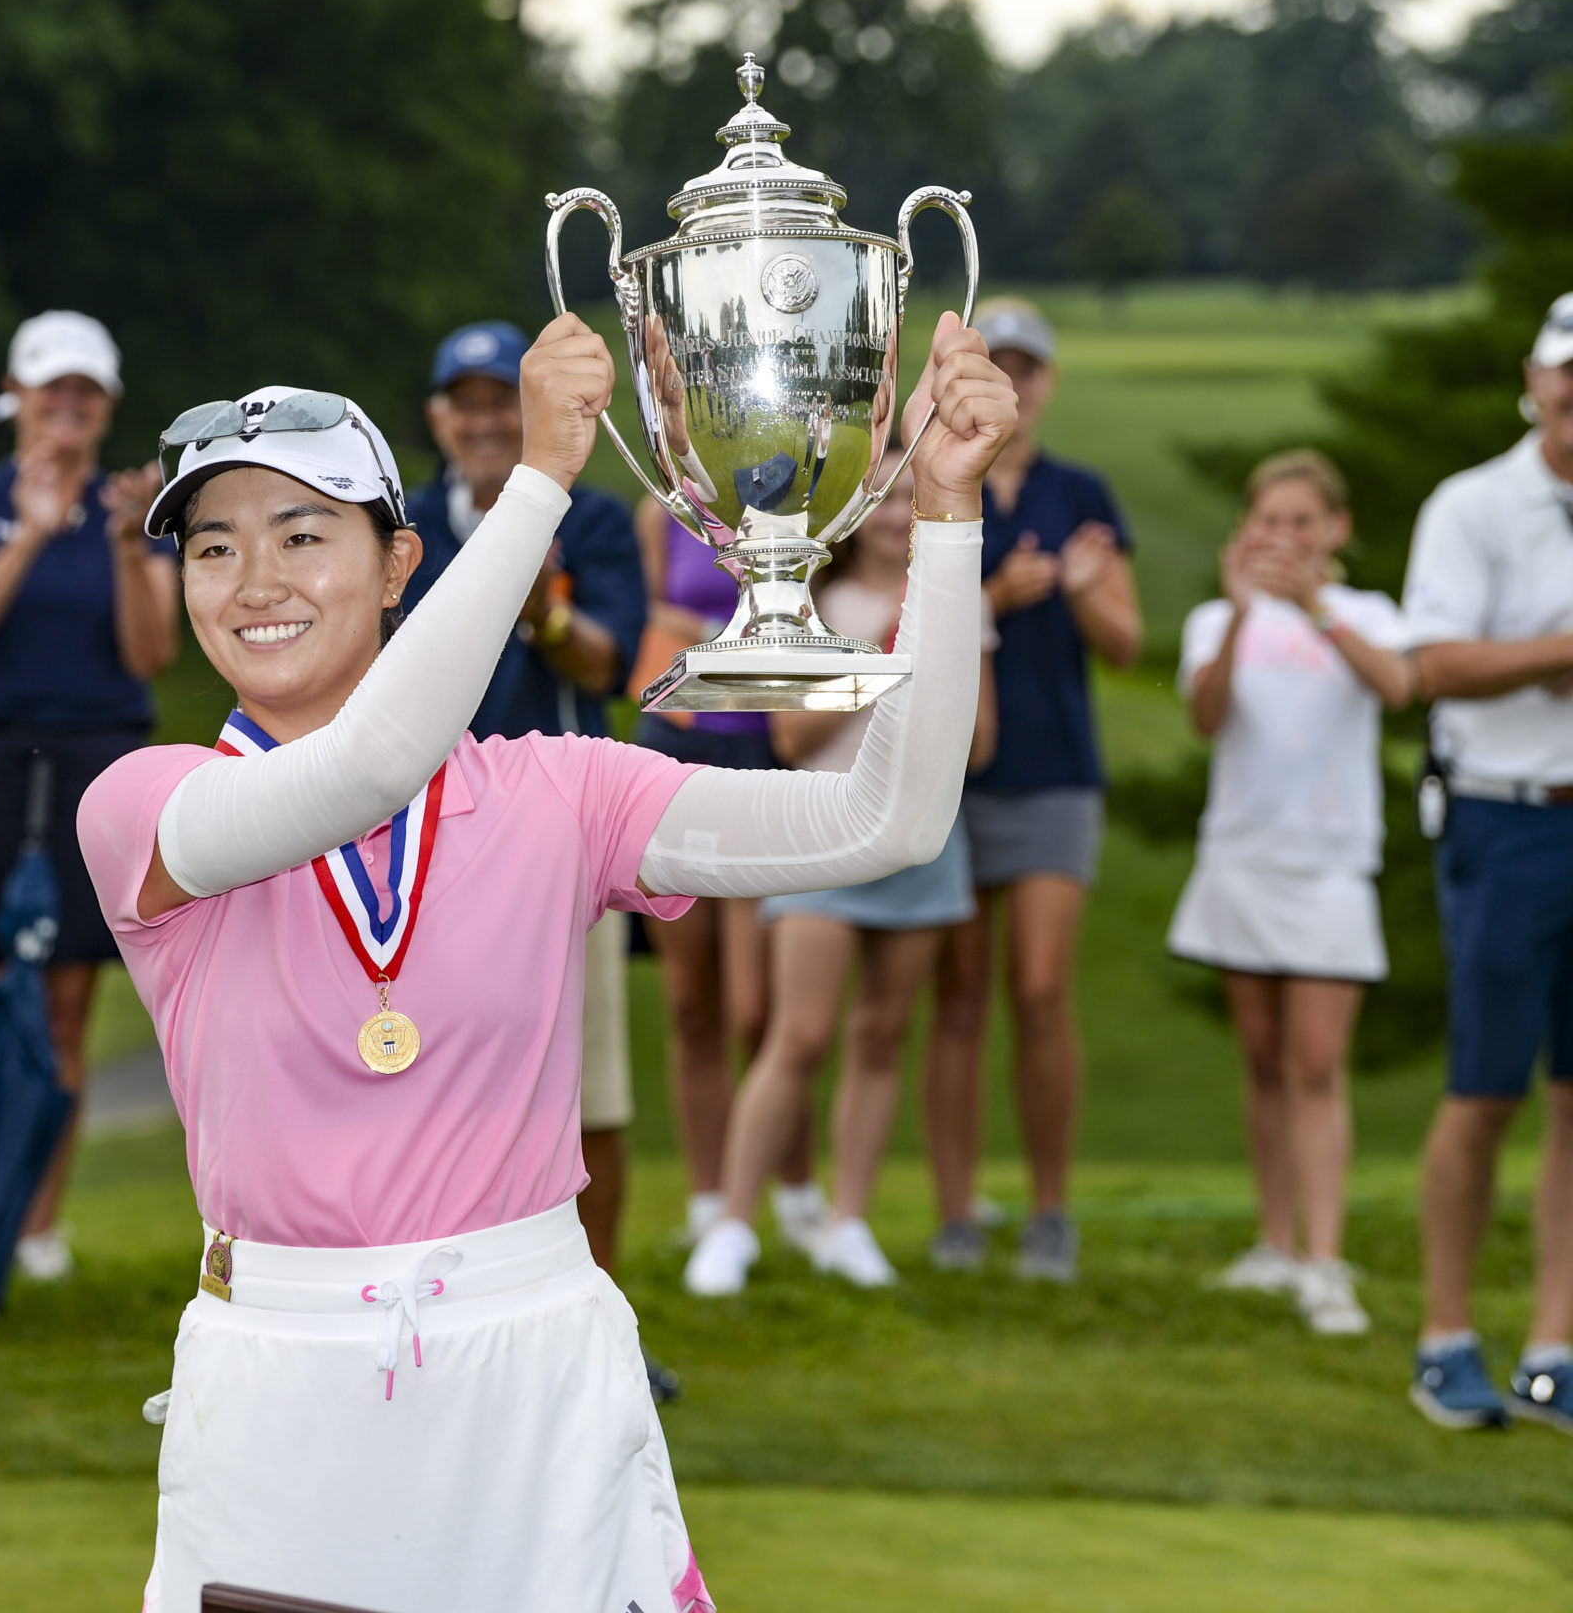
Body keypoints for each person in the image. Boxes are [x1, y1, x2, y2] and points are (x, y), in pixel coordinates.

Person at [77, 311, 1010, 1610]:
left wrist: (951, 520)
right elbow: (369, 768)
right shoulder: (145, 804)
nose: (254, 582)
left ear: (401, 562)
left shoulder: (558, 791)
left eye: (303, 538)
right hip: (282, 1376)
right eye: (214, 548)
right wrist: (538, 484)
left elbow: (885, 819)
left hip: (539, 1368)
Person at [400, 321, 669, 1386]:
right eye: (461, 403)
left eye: (497, 401)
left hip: (559, 846)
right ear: (435, 418)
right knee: (434, 1093)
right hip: (419, 845)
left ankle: (595, 1332)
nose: (479, 421)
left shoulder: (590, 518)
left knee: (588, 1094)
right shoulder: (401, 523)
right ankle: (452, 1317)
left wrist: (543, 616)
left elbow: (608, 659)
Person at [0, 311, 176, 1289]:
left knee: (66, 1002)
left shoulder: (135, 512)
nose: (67, 406)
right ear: (15, 396)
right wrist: (24, 537)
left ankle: (37, 1225)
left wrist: (116, 542)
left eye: (85, 392)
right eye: (50, 388)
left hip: (94, 764)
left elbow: (151, 653)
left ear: (106, 406)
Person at [692, 472, 999, 1294]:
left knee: (880, 1038)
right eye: (889, 499)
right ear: (862, 514)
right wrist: (886, 660)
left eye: (911, 501)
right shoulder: (812, 605)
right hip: (820, 829)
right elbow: (791, 736)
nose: (901, 515)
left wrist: (922, 660)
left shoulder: (961, 601)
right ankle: (730, 1226)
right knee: (799, 1037)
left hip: (921, 841)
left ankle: (849, 1223)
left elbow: (979, 746)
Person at [922, 298, 1139, 1282]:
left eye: (1026, 367)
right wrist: (992, 598)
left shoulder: (1080, 491)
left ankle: (1050, 1211)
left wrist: (1083, 586)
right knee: (958, 997)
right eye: (994, 363)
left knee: (1041, 990)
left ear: (1043, 383)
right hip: (951, 774)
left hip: (1053, 769)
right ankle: (957, 1212)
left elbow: (1128, 646)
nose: (1013, 381)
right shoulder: (931, 479)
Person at [1169, 451, 1409, 1337]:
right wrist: (1240, 614)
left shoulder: (1365, 614)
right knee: (1265, 1064)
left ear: (1335, 530)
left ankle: (1325, 1260)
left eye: (1303, 522)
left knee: (1316, 1067)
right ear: (1246, 530)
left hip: (1331, 866)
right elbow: (1206, 715)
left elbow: (1398, 686)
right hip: (1243, 859)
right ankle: (1278, 1243)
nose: (1285, 538)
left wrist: (1314, 608)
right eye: (1270, 521)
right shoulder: (1215, 620)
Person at [1396, 292, 1573, 1433]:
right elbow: (1433, 665)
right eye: (1569, 376)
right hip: (1505, 823)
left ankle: (1554, 1350)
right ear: (1536, 378)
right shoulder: (1474, 504)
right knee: (1483, 1091)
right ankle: (1445, 1338)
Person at [637, 493, 827, 1277]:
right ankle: (711, 1203)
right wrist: (718, 638)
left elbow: (805, 639)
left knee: (757, 1012)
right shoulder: (662, 514)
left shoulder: (802, 515)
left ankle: (796, 1194)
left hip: (763, 764)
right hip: (673, 759)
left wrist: (699, 637)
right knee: (691, 1005)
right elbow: (650, 627)